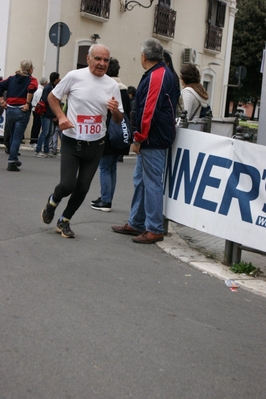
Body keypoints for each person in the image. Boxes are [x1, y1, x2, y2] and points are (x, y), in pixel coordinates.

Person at [40, 44, 124, 238]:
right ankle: (53, 201)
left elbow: (119, 119)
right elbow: (53, 97)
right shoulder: (74, 76)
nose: (102, 63)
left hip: (96, 144)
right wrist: (61, 116)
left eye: (106, 60)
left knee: (83, 188)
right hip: (72, 141)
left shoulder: (112, 85)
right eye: (98, 59)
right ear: (88, 59)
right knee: (68, 185)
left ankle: (64, 221)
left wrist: (115, 111)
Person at [111, 38, 178, 244]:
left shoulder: (157, 75)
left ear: (143, 56)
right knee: (141, 180)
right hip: (153, 137)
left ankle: (154, 228)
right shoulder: (159, 72)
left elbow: (148, 111)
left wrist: (139, 137)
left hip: (152, 138)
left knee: (150, 182)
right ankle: (137, 222)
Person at [91, 57, 131, 212]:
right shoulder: (125, 90)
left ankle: (106, 200)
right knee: (112, 167)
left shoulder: (107, 87)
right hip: (121, 133)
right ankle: (106, 197)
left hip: (108, 133)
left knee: (105, 167)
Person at [0, 60, 38, 171]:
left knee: (12, 135)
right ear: (30, 69)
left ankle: (14, 158)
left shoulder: (11, 78)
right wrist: (27, 103)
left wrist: (2, 101)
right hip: (22, 110)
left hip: (10, 109)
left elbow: (0, 86)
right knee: (17, 136)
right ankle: (12, 160)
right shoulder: (32, 80)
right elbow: (31, 88)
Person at [35, 72, 60, 158]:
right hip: (46, 113)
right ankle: (38, 150)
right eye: (58, 78)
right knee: (45, 132)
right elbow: (45, 100)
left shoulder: (52, 87)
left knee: (49, 133)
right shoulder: (48, 88)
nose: (59, 80)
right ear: (55, 79)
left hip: (50, 113)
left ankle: (46, 150)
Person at [29, 77, 48, 147]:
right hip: (38, 110)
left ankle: (33, 140)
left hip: (35, 109)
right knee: (37, 126)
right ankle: (34, 141)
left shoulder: (38, 90)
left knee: (36, 125)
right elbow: (40, 102)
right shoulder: (40, 91)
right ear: (45, 83)